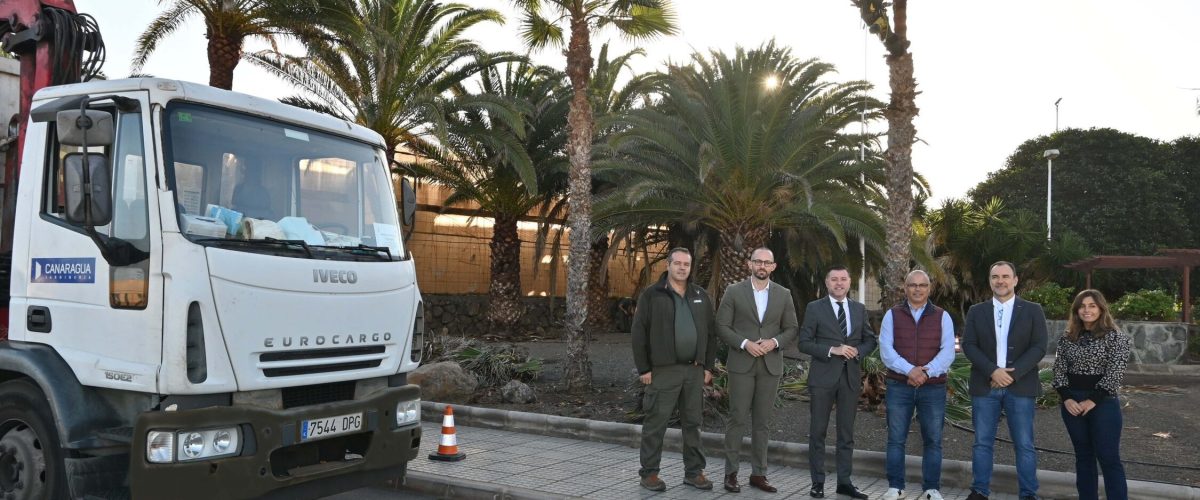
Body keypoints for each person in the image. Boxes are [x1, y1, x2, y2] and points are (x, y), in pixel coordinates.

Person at [631, 247, 717, 492]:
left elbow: (711, 334)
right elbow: (638, 333)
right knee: (656, 423)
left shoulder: (700, 295)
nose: (682, 268)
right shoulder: (652, 295)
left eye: (686, 264)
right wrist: (644, 368)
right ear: (668, 265)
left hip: (693, 371)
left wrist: (708, 366)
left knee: (693, 423)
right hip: (662, 371)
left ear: (691, 267)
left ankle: (694, 472)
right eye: (677, 263)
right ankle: (649, 474)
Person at [961, 261, 1048, 500]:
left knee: (1024, 444)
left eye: (1005, 276)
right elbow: (969, 345)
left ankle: (1029, 494)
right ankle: (979, 491)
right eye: (995, 277)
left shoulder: (1032, 310)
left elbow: (1039, 346)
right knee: (982, 443)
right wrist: (993, 371)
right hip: (985, 385)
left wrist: (1011, 373)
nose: (1001, 281)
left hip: (1020, 386)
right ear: (990, 281)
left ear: (1015, 280)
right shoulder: (976, 311)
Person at [715, 248, 799, 493]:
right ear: (749, 264)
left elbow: (791, 328)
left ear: (773, 266)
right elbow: (721, 325)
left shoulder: (784, 294)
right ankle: (730, 473)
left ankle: (758, 474)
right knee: (737, 418)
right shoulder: (734, 291)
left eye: (767, 262)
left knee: (762, 422)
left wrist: (773, 342)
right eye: (757, 261)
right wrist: (745, 343)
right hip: (742, 363)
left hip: (770, 365)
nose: (762, 265)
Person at [797, 265, 877, 499]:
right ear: (827, 283)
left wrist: (857, 351)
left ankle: (844, 482)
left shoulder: (859, 309)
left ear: (849, 282)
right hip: (823, 378)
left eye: (843, 279)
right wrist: (833, 349)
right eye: (834, 279)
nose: (839, 283)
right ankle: (817, 483)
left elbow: (870, 341)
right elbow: (804, 343)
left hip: (850, 379)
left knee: (846, 434)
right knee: (817, 432)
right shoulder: (814, 308)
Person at [879, 270, 956, 500]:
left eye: (923, 285)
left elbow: (948, 351)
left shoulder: (943, 316)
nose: (918, 289)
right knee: (896, 438)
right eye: (913, 285)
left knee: (933, 439)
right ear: (905, 287)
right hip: (898, 386)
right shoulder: (891, 315)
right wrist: (909, 370)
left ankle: (931, 488)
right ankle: (895, 487)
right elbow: (886, 350)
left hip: (933, 388)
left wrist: (926, 372)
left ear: (929, 288)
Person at [1052, 289, 1132, 500]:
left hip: (1103, 403)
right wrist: (1067, 397)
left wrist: (1092, 400)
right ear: (1076, 310)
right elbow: (1058, 370)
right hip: (1072, 404)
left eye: (1092, 306)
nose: (1087, 310)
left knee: (1108, 457)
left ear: (1101, 308)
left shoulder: (1117, 338)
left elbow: (1115, 372)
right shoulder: (1067, 338)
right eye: (1082, 306)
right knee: (1083, 456)